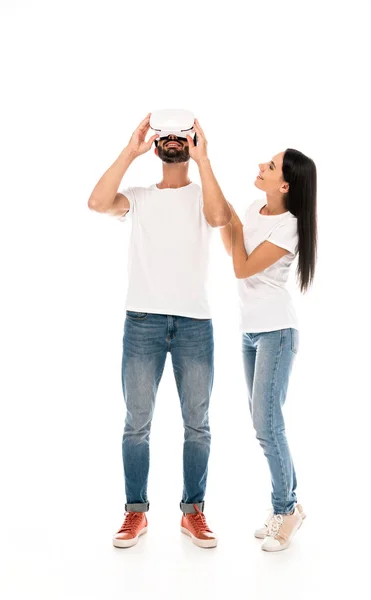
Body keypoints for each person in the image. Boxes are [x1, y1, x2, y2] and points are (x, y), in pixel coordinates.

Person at [88, 113, 231, 549]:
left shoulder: (202, 193)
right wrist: (129, 150)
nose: (171, 141)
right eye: (163, 136)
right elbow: (97, 202)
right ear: (156, 147)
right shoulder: (139, 197)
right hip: (143, 323)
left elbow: (220, 216)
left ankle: (194, 513)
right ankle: (135, 513)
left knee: (198, 425)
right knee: (136, 425)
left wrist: (205, 159)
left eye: (180, 136)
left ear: (189, 144)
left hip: (194, 324)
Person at [219, 148, 317, 552]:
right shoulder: (253, 207)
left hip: (277, 331)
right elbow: (234, 251)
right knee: (266, 423)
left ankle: (286, 509)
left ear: (285, 185)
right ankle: (290, 506)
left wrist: (231, 218)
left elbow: (242, 267)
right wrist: (229, 215)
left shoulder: (291, 227)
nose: (261, 166)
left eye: (271, 166)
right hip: (251, 332)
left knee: (266, 424)